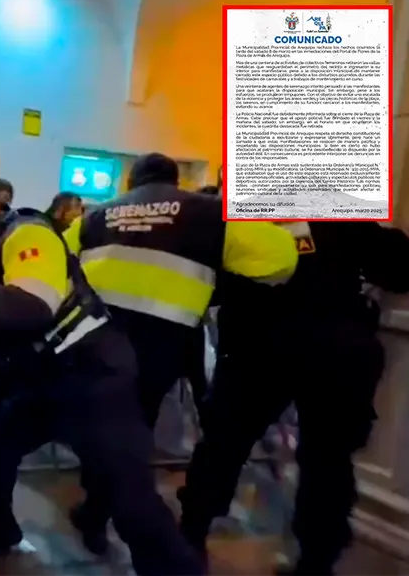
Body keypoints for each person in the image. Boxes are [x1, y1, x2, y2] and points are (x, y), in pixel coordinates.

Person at [0, 184, 204, 575]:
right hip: (45, 381)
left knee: (129, 496)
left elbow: (32, 303)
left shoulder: (28, 235)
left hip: (94, 378)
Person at [60, 153, 298, 555]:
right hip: (159, 349)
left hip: (95, 344)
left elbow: (58, 262)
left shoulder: (97, 216)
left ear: (132, 182)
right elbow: (282, 258)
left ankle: (100, 513)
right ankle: (117, 518)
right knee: (135, 429)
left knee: (100, 429)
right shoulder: (210, 213)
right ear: (176, 181)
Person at [178, 220, 409, 575]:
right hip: (334, 347)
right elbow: (399, 269)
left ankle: (191, 534)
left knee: (224, 446)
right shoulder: (341, 219)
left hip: (257, 346)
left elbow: (213, 283)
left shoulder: (248, 220)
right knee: (327, 461)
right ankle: (316, 562)